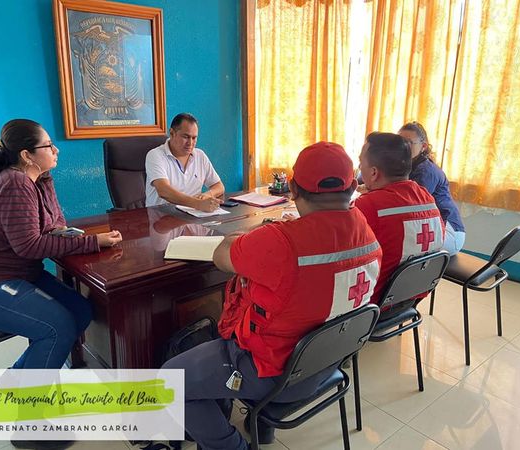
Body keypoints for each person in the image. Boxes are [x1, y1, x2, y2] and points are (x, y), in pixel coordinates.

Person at [162, 142, 382, 450]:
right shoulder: (367, 233)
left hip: (272, 371)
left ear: (293, 189)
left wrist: (260, 236)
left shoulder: (279, 242)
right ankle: (259, 426)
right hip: (326, 362)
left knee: (168, 381)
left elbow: (222, 256)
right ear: (354, 187)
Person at [0, 119, 123, 374]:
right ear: (27, 155)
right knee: (58, 327)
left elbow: (57, 224)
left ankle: (14, 381)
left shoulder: (37, 179)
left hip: (20, 275)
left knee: (80, 311)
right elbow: (29, 246)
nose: (56, 150)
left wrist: (46, 181)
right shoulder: (14, 182)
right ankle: (27, 396)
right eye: (49, 145)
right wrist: (93, 242)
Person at [355, 132, 445, 305]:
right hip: (411, 296)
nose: (359, 166)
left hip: (373, 304)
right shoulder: (426, 196)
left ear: (374, 172)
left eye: (361, 162)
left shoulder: (369, 205)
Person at [399, 121, 465, 254]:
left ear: (423, 146)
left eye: (409, 143)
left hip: (450, 232)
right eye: (400, 142)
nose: (403, 147)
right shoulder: (407, 165)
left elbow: (410, 205)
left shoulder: (426, 171)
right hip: (433, 226)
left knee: (396, 241)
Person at [145, 113, 225, 212]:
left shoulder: (200, 155)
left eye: (194, 138)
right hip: (162, 216)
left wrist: (206, 195)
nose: (190, 143)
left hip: (193, 215)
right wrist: (197, 204)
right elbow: (164, 191)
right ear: (172, 133)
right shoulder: (155, 155)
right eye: (186, 137)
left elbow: (219, 186)